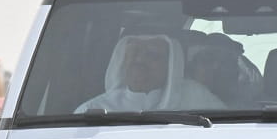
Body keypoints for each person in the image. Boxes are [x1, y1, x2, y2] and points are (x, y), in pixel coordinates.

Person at [75, 33, 221, 113]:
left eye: (152, 55)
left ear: (171, 66)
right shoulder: (93, 110)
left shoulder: (197, 97)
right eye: (134, 52)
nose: (139, 60)